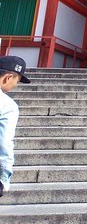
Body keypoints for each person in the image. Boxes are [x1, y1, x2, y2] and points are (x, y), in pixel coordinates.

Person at [0, 56, 30, 196]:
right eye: (16, 80)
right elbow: (4, 142)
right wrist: (3, 178)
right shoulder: (7, 105)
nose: (15, 85)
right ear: (7, 78)